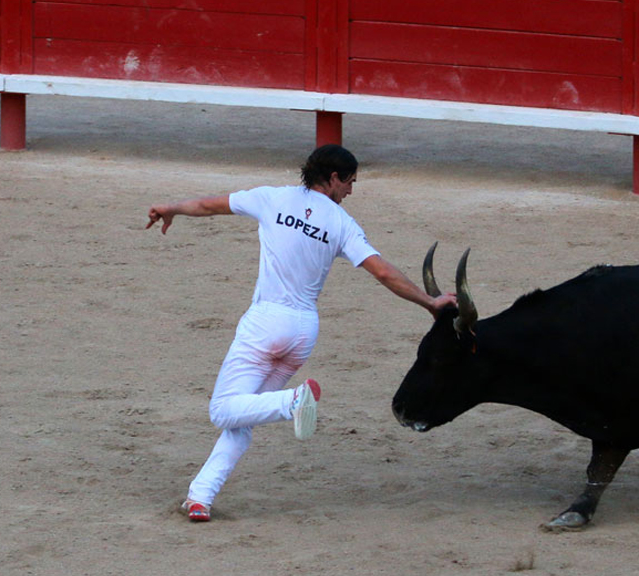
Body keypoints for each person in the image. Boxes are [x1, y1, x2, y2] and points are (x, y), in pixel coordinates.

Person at [146, 144, 456, 522]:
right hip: (302, 331)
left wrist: (171, 208)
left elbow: (209, 206)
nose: (351, 191)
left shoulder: (270, 198)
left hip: (265, 323)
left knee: (222, 409)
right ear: (333, 178)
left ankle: (293, 402)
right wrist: (429, 303)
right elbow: (384, 273)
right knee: (242, 419)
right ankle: (200, 497)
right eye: (350, 182)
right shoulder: (342, 224)